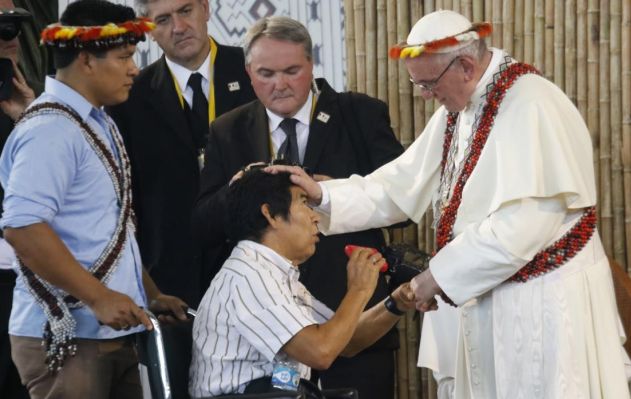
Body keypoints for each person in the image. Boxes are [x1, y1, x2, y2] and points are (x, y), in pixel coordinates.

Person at [269, 9, 631, 399]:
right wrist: (324, 194)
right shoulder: (462, 106)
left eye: (428, 84)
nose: (425, 96)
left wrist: (434, 278)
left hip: (542, 305)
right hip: (484, 293)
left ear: (465, 65)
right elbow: (399, 185)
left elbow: (520, 227)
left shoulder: (532, 104)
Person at [192, 16, 405, 398]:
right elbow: (203, 226)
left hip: (348, 316)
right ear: (248, 73)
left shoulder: (360, 113)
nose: (281, 84)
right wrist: (243, 186)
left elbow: (404, 205)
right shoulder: (228, 129)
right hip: (268, 344)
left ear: (311, 65)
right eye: (266, 73)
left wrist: (334, 194)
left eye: (292, 70)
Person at [0, 1, 188, 398]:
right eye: (124, 57)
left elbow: (111, 230)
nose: (135, 69)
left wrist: (148, 293)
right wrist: (99, 296)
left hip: (111, 332)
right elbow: (22, 227)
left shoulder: (96, 122)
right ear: (86, 60)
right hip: (69, 338)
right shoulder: (50, 129)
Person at [189, 169, 415, 398]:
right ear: (270, 214)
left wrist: (397, 302)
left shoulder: (275, 273)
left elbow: (345, 341)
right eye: (305, 203)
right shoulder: (248, 275)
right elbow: (321, 351)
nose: (316, 217)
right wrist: (359, 290)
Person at [108, 0, 255, 308]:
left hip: (255, 269)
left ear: (205, 8)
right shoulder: (128, 95)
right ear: (148, 29)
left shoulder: (255, 70)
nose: (178, 27)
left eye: (185, 11)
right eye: (163, 19)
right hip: (173, 282)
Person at [0, 3, 36, 398]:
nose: (10, 39)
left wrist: (27, 117)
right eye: (0, 31)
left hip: (25, 286)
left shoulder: (29, 101)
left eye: (14, 29)